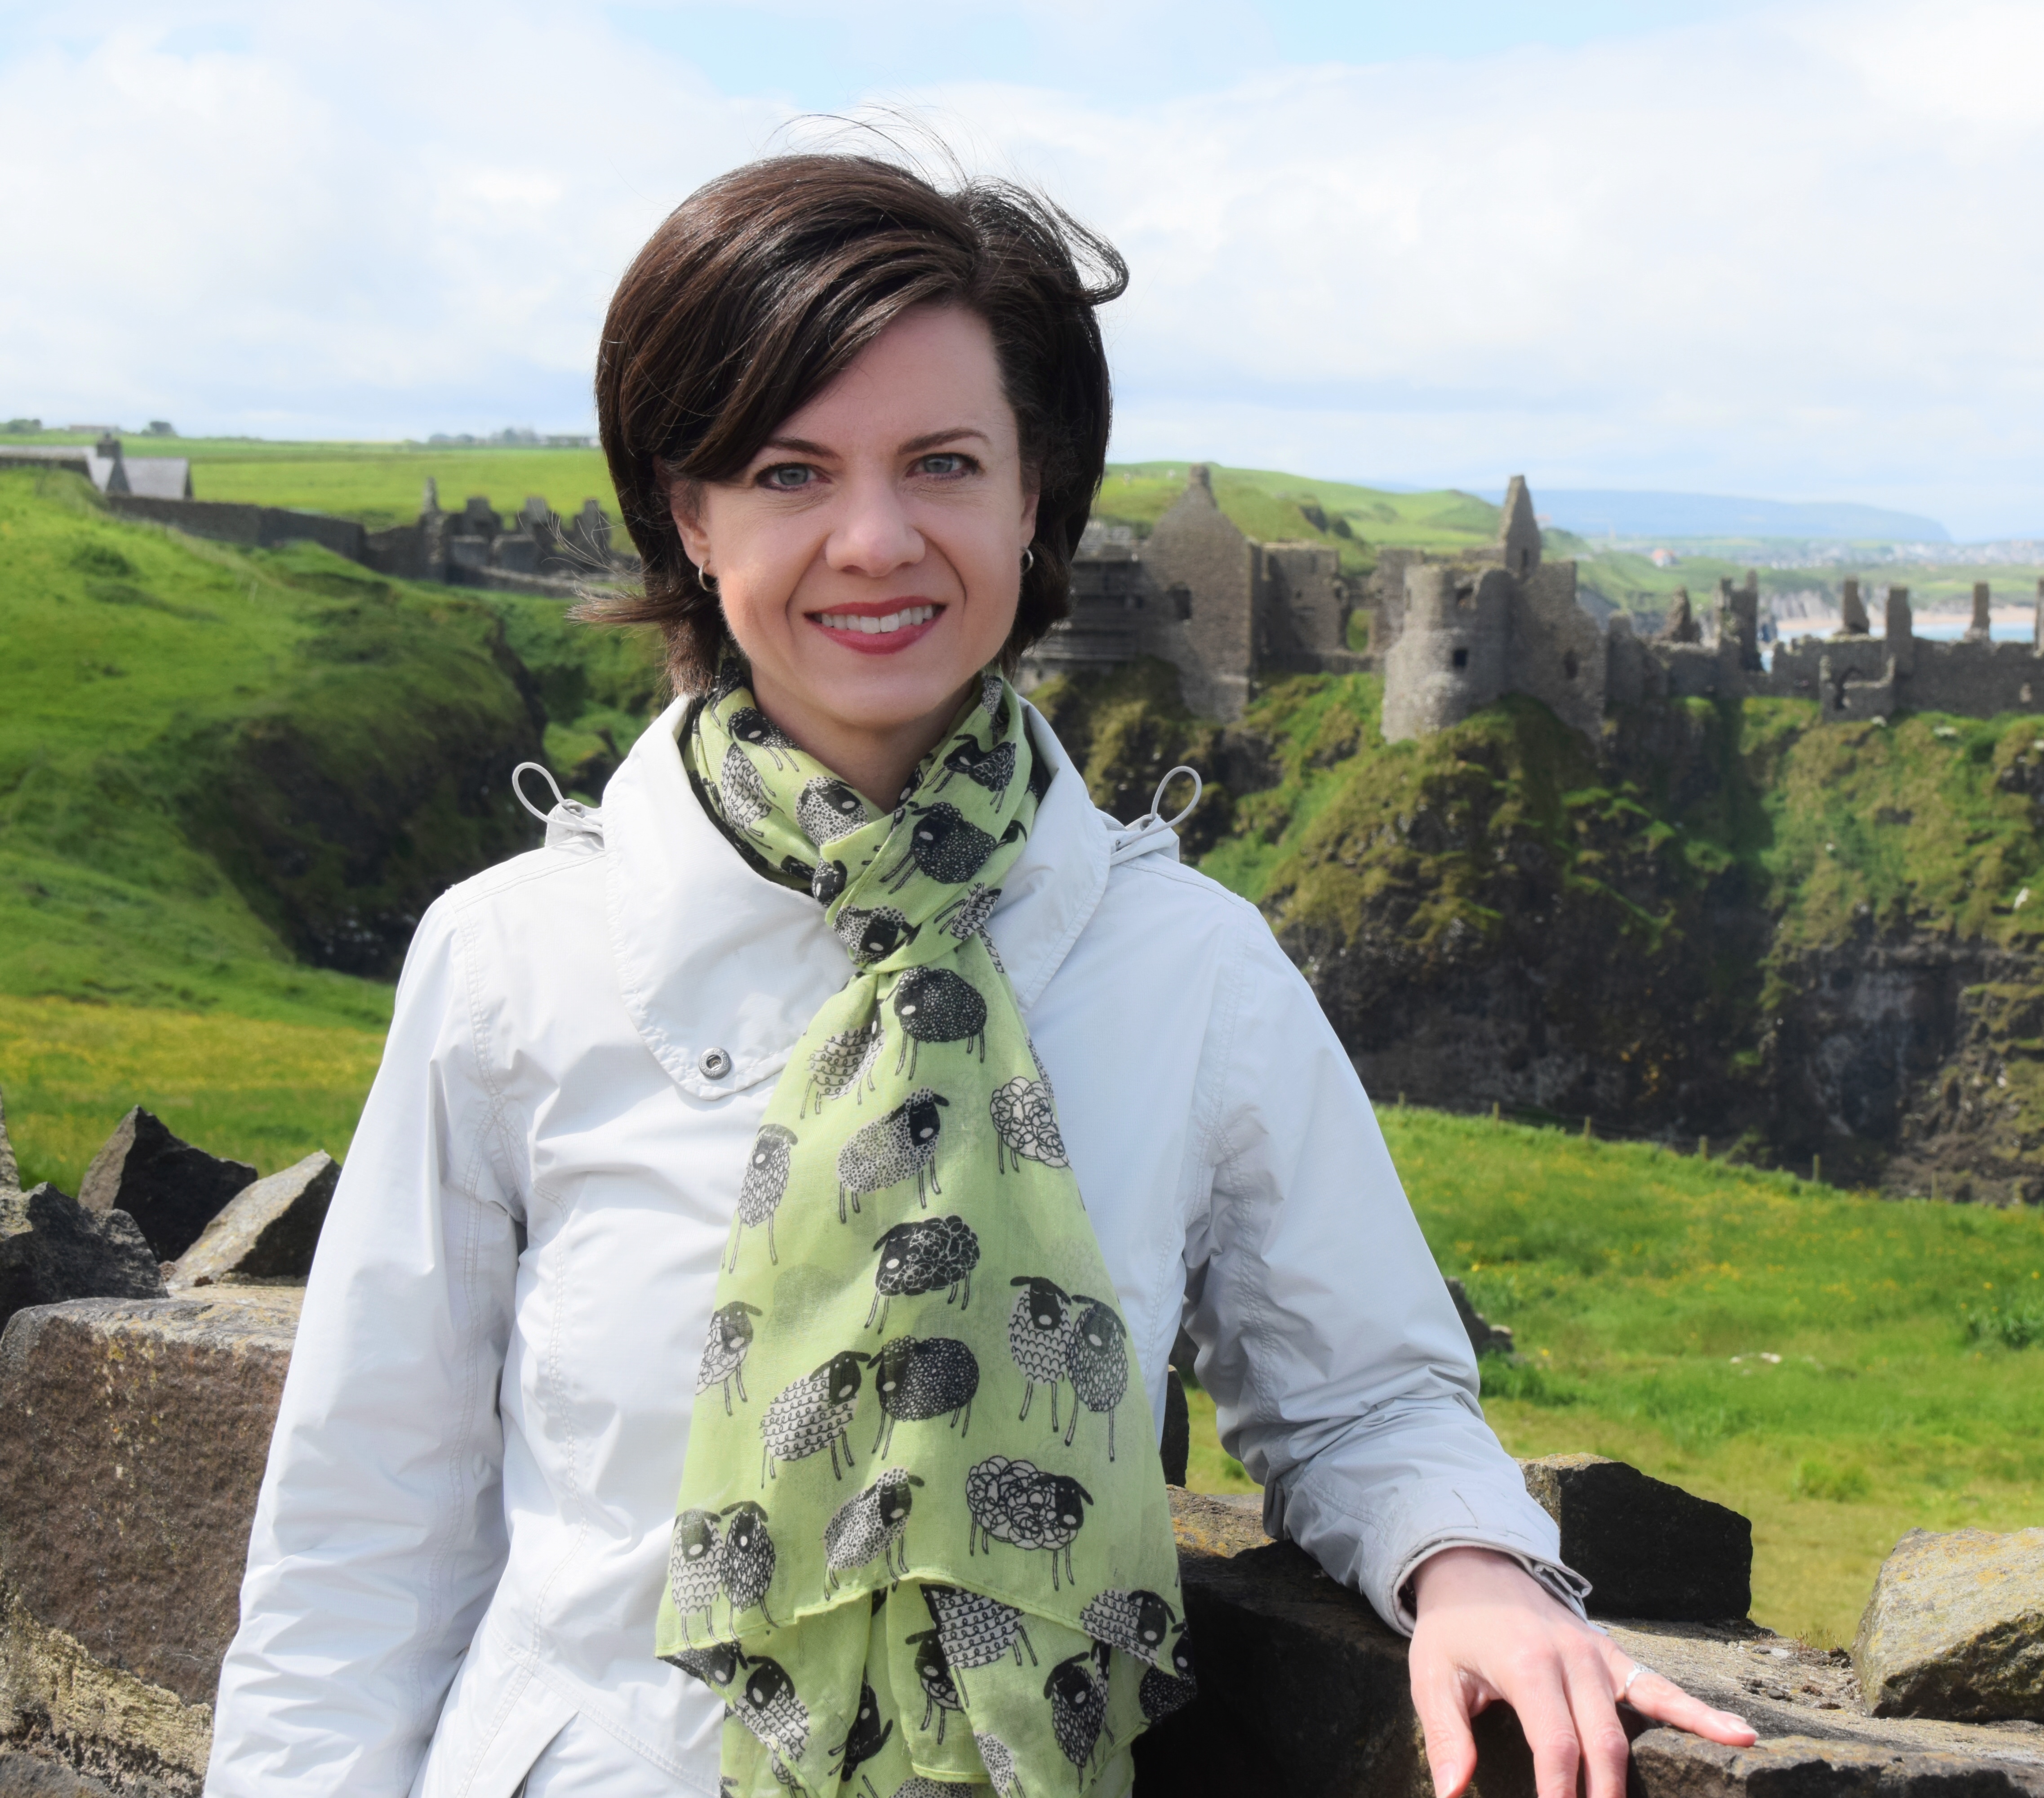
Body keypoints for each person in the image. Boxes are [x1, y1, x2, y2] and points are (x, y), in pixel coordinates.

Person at [204, 150, 1754, 1798]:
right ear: (691, 515)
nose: (875, 541)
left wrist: (1473, 1566)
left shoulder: (1191, 968)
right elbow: (360, 1542)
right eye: (790, 472)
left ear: (1034, 497)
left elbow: (1369, 1395)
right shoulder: (513, 960)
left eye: (943, 463)